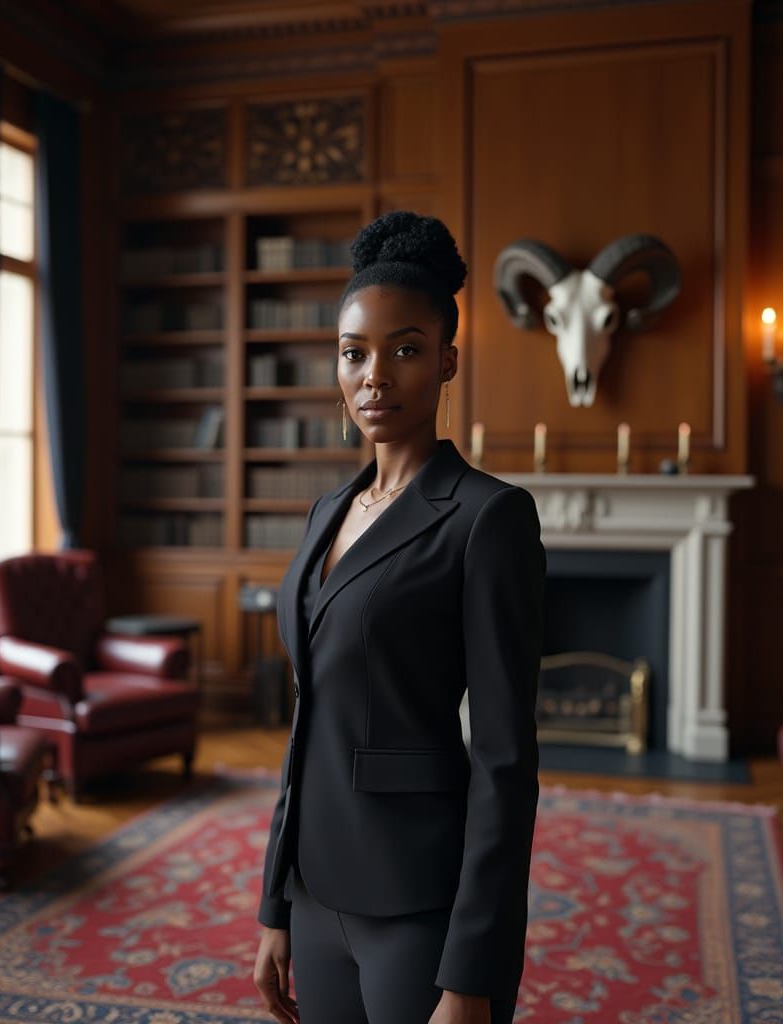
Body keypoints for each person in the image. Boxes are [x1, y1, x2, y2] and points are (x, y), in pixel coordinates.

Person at [251, 210, 546, 1024]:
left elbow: (504, 760)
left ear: (448, 360)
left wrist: (473, 972)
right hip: (315, 889)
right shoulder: (324, 514)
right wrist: (276, 900)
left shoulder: (488, 518)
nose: (375, 375)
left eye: (405, 350)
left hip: (421, 902)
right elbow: (309, 719)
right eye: (354, 354)